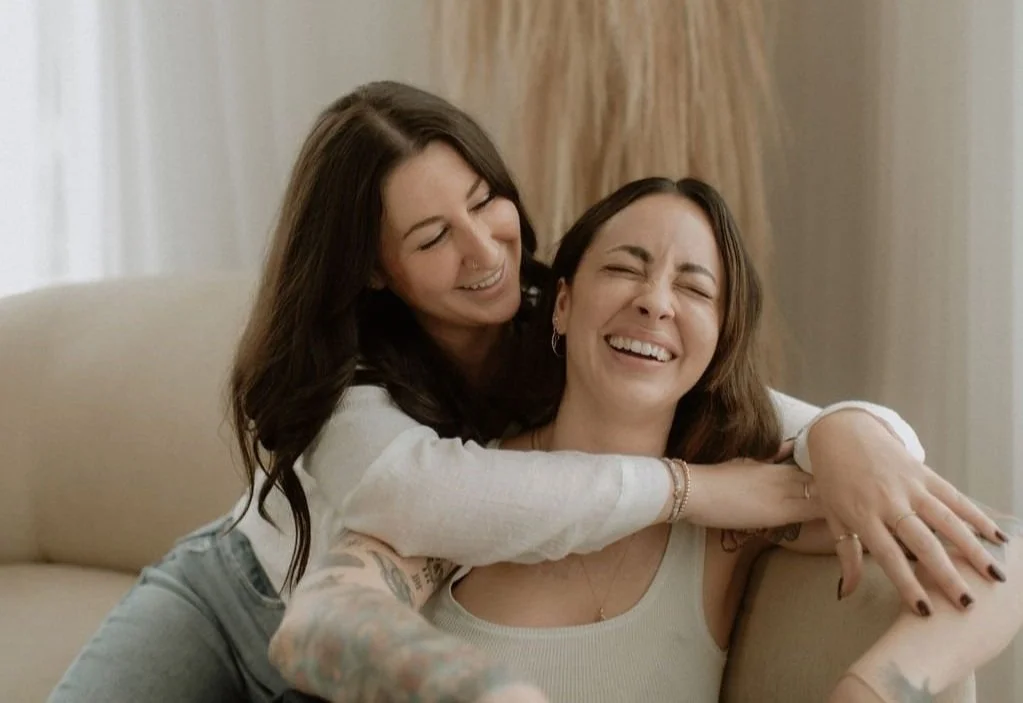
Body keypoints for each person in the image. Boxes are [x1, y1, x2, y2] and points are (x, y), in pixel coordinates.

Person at [49, 82, 1004, 703]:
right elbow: (360, 576)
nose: (482, 251)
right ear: (372, 271)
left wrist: (853, 436)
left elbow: (989, 550)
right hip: (236, 588)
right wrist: (688, 488)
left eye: (483, 202)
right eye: (429, 239)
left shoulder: (601, 343)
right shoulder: (371, 415)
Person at [270, 178, 1023, 703]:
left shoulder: (732, 519)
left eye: (693, 288)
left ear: (716, 339)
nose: (654, 301)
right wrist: (473, 686)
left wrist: (871, 686)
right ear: (561, 304)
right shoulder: (468, 496)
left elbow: (999, 550)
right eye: (624, 268)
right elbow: (316, 624)